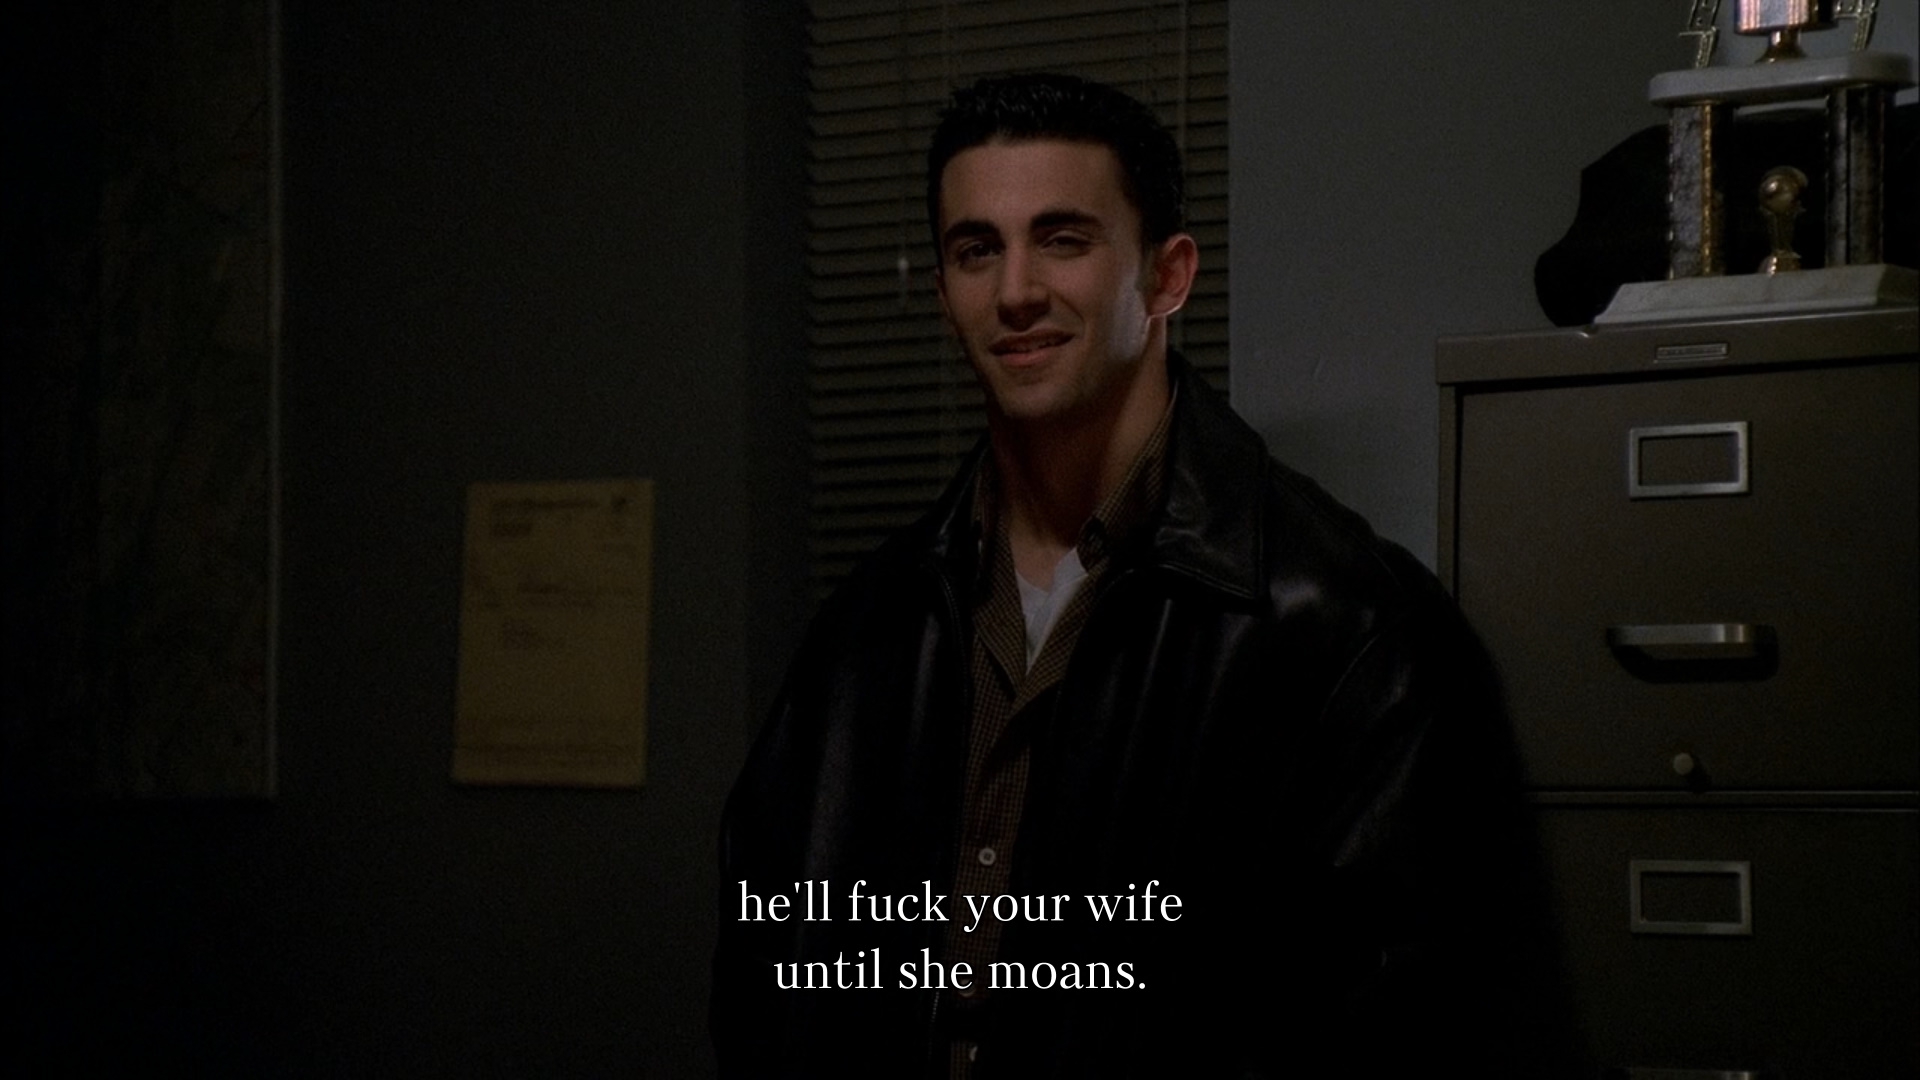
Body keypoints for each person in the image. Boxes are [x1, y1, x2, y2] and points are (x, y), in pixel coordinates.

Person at [713, 73, 1554, 1078]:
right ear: (943, 297)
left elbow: (1435, 1024)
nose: (1016, 291)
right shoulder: (871, 629)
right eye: (977, 250)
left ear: (1167, 278)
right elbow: (769, 975)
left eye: (1063, 240)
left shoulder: (1351, 630)